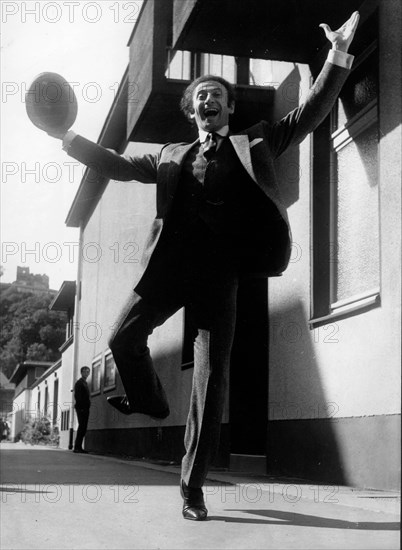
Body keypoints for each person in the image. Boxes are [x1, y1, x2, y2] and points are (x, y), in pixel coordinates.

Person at [48, 13, 359, 519]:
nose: (208, 101)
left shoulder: (256, 140)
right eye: (200, 96)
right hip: (170, 269)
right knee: (122, 337)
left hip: (220, 275)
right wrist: (69, 139)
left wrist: (338, 56)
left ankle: (192, 489)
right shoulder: (169, 154)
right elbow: (118, 166)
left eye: (217, 95)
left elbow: (308, 114)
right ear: (192, 110)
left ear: (229, 108)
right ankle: (151, 401)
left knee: (211, 383)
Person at [73, 366, 91, 454]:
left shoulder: (85, 383)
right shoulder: (79, 383)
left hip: (85, 408)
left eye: (88, 371)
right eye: (85, 371)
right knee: (82, 427)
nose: (87, 373)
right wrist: (82, 408)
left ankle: (79, 447)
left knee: (83, 427)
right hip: (81, 408)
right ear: (81, 372)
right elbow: (78, 396)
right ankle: (77, 447)